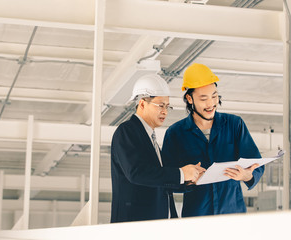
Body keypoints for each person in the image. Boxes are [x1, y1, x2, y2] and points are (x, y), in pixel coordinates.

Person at [161, 63, 264, 217]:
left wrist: (246, 176)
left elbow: (256, 165)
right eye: (203, 99)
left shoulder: (234, 125)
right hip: (198, 219)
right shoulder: (175, 134)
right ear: (189, 98)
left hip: (233, 215)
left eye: (214, 96)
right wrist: (189, 180)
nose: (210, 104)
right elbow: (166, 180)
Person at [110, 74, 205, 223]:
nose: (165, 112)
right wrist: (181, 173)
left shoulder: (149, 137)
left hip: (157, 225)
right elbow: (136, 173)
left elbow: (159, 181)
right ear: (142, 104)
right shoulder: (127, 131)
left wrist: (188, 181)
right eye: (160, 105)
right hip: (135, 226)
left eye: (167, 106)